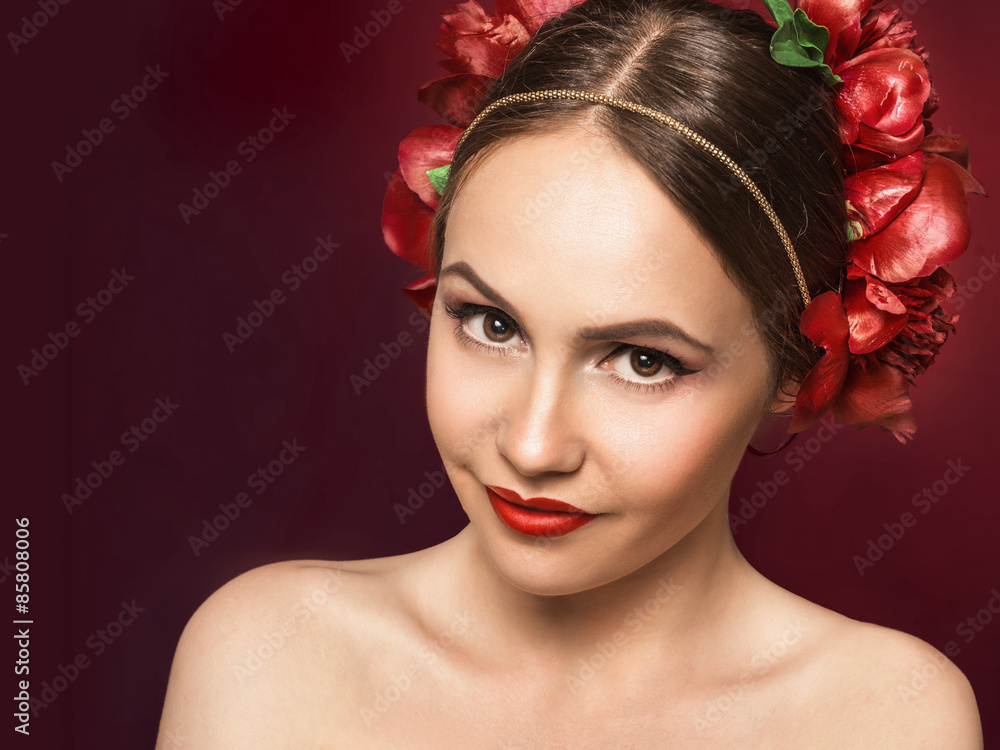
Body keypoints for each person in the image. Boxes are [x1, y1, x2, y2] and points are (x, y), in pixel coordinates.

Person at [156, 0, 985, 746]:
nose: (532, 443)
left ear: (799, 362)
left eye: (642, 360)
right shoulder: (265, 661)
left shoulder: (883, 720)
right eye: (492, 324)